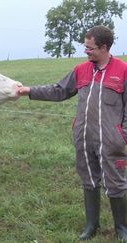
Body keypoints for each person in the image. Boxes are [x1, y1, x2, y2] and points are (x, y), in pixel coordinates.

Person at [17, 25, 127, 240]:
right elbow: (59, 91)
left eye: (90, 48)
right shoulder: (81, 70)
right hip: (84, 138)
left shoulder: (123, 71)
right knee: (89, 179)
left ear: (104, 47)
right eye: (85, 47)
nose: (86, 51)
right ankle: (91, 225)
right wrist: (29, 91)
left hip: (113, 141)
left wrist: (123, 134)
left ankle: (121, 227)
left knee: (115, 182)